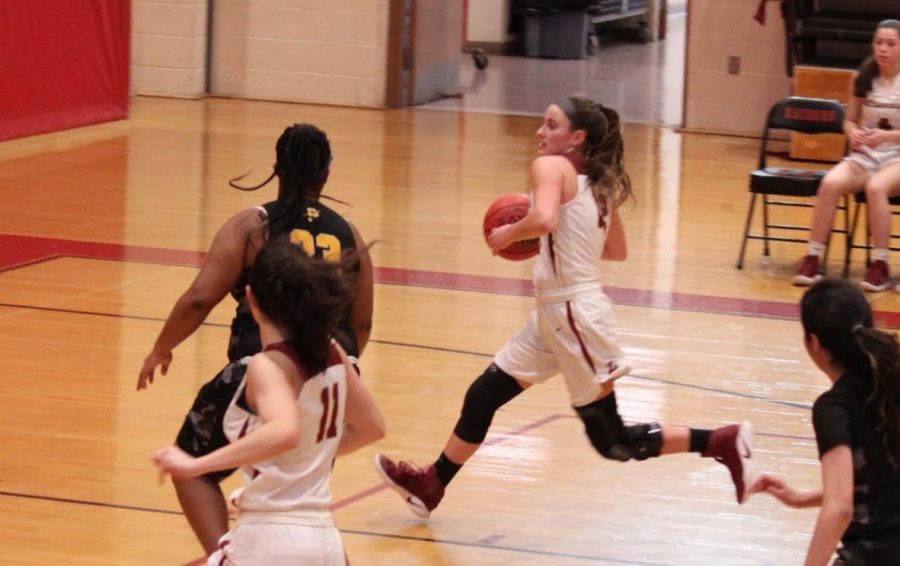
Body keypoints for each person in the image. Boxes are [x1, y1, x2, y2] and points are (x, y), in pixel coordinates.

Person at [374, 96, 757, 519]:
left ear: (577, 137)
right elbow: (617, 249)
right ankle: (433, 484)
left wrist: (511, 232)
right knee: (483, 396)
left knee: (613, 442)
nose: (541, 132)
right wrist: (563, 238)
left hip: (572, 313)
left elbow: (545, 219)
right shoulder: (599, 182)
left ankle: (720, 440)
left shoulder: (550, 168)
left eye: (551, 125)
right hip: (557, 313)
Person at [137, 123, 374, 554]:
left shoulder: (253, 225)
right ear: (328, 172)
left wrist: (161, 347)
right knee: (298, 477)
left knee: (193, 468)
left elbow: (200, 297)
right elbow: (363, 323)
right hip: (332, 369)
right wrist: (335, 368)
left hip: (262, 362)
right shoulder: (350, 233)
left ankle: (226, 555)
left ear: (276, 167)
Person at [153, 236, 386, 565]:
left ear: (251, 299)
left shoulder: (266, 365)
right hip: (326, 542)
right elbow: (372, 428)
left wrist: (196, 465)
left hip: (269, 540)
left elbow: (284, 431)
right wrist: (308, 455)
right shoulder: (333, 352)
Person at [752, 278, 900, 565]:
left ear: (814, 343)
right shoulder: (891, 383)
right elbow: (881, 484)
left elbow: (840, 506)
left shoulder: (835, 407)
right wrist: (801, 498)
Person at [792, 19, 900, 291]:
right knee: (829, 183)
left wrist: (886, 137)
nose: (883, 49)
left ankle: (880, 265)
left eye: (890, 44)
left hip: (897, 154)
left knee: (876, 188)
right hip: (867, 154)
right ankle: (813, 257)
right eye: (878, 42)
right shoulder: (862, 77)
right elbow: (849, 120)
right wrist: (853, 133)